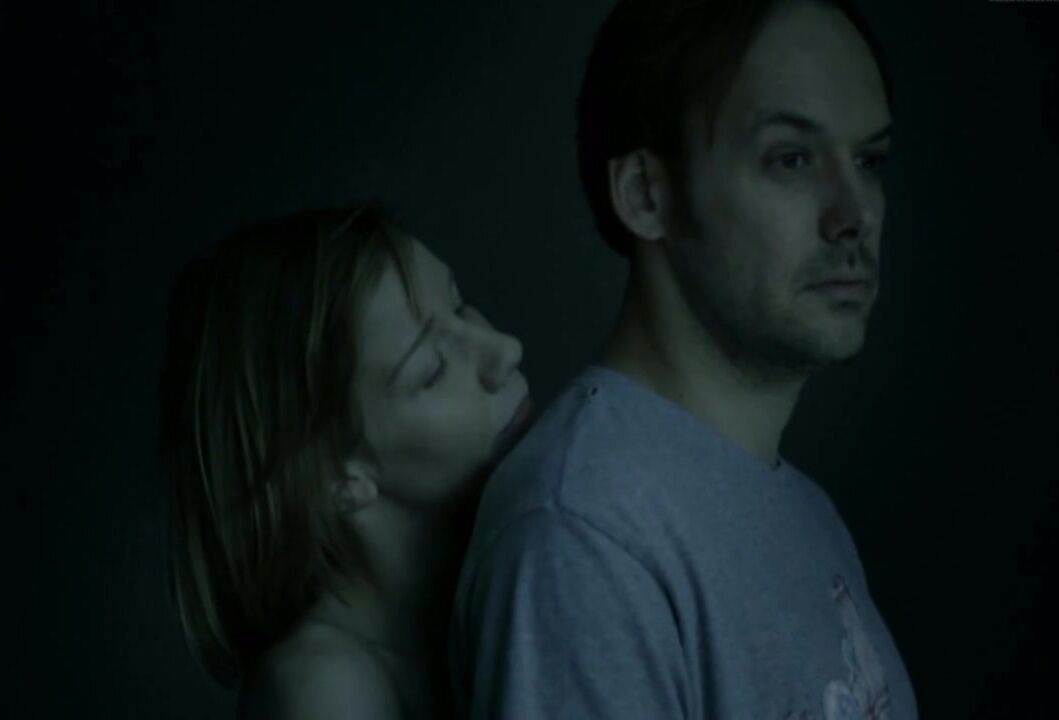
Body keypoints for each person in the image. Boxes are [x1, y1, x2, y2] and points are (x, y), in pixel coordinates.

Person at [450, 0, 917, 718]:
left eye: (869, 160)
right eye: (791, 159)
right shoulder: (584, 532)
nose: (854, 214)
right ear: (646, 195)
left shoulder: (803, 509)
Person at [159, 205, 532, 719]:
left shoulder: (475, 618)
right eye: (431, 368)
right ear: (335, 477)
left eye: (461, 307)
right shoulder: (325, 689)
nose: (506, 350)